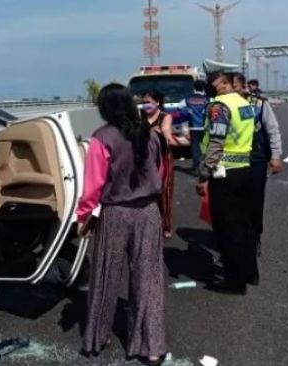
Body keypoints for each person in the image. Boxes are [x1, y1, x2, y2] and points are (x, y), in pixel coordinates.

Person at [77, 83, 167, 364]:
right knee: (148, 278)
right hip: (148, 212)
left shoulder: (100, 138)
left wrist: (83, 218)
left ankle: (96, 337)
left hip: (115, 213)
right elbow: (160, 174)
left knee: (105, 275)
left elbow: (93, 186)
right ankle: (151, 346)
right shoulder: (149, 134)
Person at [196, 60, 257, 295]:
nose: (211, 85)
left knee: (227, 228)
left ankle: (234, 281)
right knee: (244, 225)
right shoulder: (244, 104)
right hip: (245, 170)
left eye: (214, 81)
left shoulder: (219, 107)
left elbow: (216, 142)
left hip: (225, 175)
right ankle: (249, 272)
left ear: (224, 83)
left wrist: (203, 174)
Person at [234, 75, 283, 269]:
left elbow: (273, 130)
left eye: (240, 86)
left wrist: (276, 155)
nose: (240, 90)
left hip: (256, 161)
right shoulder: (224, 106)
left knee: (254, 204)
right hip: (233, 164)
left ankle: (254, 239)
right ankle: (238, 243)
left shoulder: (259, 104)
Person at [142, 90, 175, 239]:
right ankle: (148, 224)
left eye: (148, 102)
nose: (146, 105)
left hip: (163, 157)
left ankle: (165, 226)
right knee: (146, 193)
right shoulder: (140, 117)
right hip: (145, 159)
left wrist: (163, 135)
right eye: (144, 102)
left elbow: (167, 131)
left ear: (158, 102)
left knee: (164, 192)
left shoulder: (165, 117)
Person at [183, 80, 208, 175]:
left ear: (194, 88)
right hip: (204, 127)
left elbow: (180, 108)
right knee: (204, 146)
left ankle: (196, 167)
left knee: (195, 146)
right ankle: (204, 165)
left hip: (193, 127)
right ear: (203, 88)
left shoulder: (187, 99)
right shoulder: (207, 99)